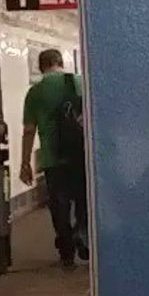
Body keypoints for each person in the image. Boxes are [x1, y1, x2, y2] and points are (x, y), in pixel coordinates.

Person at [20, 49, 89, 268]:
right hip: (81, 155)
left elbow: (29, 130)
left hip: (52, 158)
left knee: (59, 205)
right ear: (60, 62)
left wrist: (25, 163)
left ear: (41, 66)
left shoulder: (35, 92)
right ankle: (82, 232)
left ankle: (66, 252)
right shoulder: (80, 82)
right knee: (83, 199)